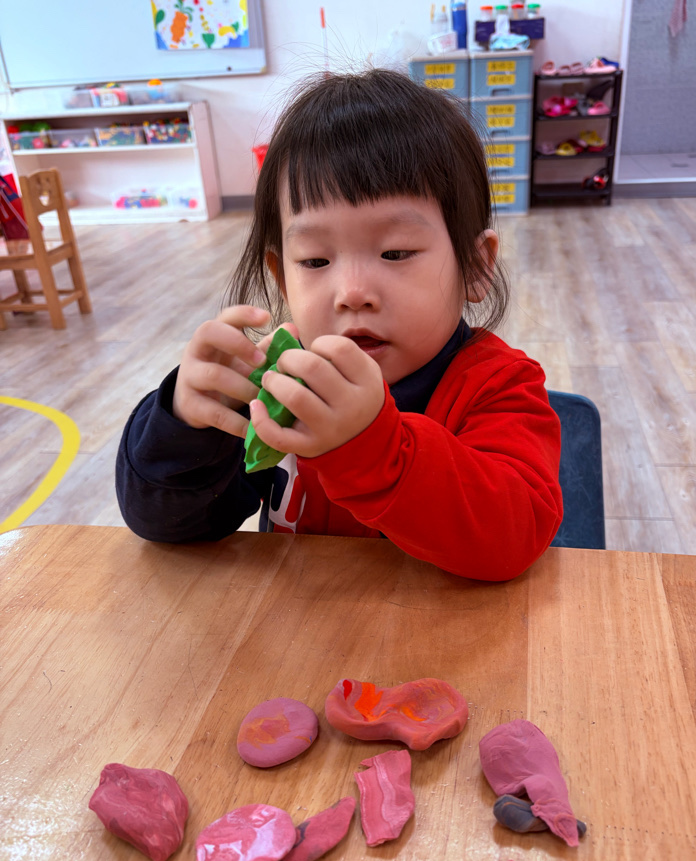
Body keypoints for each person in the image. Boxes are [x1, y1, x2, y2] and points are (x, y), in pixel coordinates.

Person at [116, 68, 562, 581]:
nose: (351, 292)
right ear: (282, 279)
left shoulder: (499, 387)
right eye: (315, 261)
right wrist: (185, 426)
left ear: (476, 267)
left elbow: (513, 537)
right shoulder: (278, 385)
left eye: (396, 252)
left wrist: (375, 450)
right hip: (296, 625)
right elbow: (167, 525)